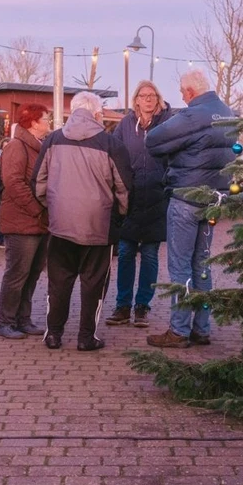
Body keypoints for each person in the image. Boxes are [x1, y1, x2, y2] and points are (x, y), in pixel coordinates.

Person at [145, 69, 237, 349]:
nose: (182, 98)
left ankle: (179, 330)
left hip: (186, 195)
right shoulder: (228, 112)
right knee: (203, 265)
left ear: (190, 91)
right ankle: (202, 328)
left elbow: (153, 140)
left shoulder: (190, 115)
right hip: (214, 197)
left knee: (180, 265)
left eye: (183, 93)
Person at [33, 92, 132, 351]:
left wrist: (52, 207)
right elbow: (124, 188)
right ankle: (86, 337)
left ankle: (53, 334)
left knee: (59, 282)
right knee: (93, 284)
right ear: (97, 114)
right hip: (98, 226)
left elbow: (39, 182)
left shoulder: (53, 140)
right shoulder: (111, 144)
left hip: (61, 224)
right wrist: (120, 215)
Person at [106, 80, 173, 329]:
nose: (148, 99)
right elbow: (113, 154)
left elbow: (174, 155)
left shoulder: (166, 123)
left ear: (157, 98)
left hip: (157, 198)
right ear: (135, 100)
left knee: (149, 255)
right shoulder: (125, 125)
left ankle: (142, 306)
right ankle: (122, 305)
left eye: (152, 95)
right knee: (125, 253)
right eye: (143, 95)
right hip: (130, 199)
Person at [0, 103, 52, 340]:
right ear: (34, 122)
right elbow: (13, 182)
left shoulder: (38, 147)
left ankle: (23, 319)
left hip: (38, 222)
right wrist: (37, 209)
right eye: (46, 118)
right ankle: (5, 321)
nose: (49, 122)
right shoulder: (17, 147)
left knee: (32, 273)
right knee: (17, 273)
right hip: (22, 222)